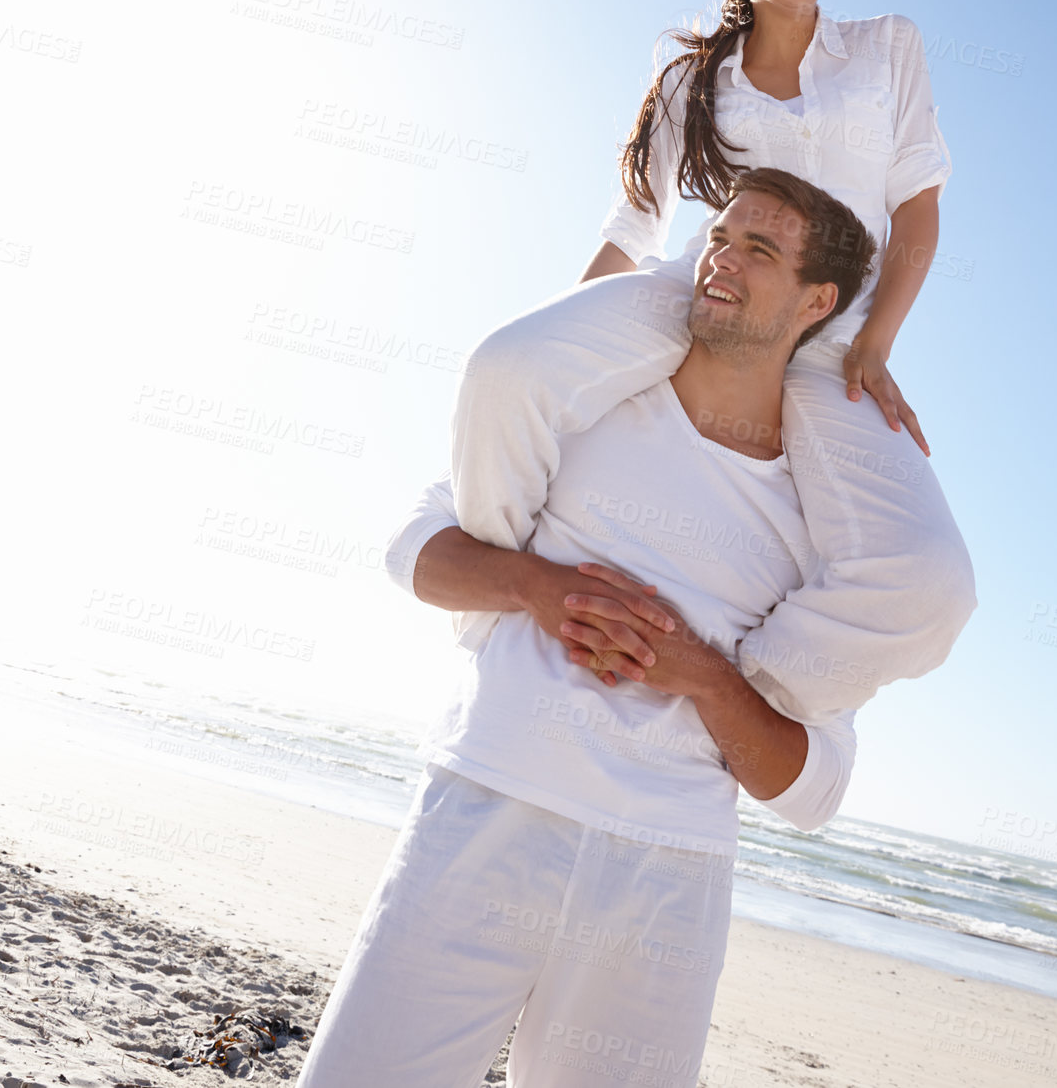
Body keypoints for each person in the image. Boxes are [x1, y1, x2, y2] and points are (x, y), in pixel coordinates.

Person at [297, 170, 882, 1088]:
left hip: (666, 876)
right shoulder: (590, 396)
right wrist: (539, 588)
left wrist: (701, 673)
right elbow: (413, 549)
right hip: (489, 801)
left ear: (818, 301)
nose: (721, 259)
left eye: (758, 250)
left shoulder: (828, 521)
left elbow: (813, 789)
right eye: (719, 235)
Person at [450, 0, 976, 722]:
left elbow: (919, 209)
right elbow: (633, 230)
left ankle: (728, 688)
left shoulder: (889, 47)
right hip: (701, 301)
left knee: (933, 584)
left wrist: (875, 343)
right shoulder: (689, 83)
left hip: (829, 343)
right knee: (507, 368)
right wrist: (564, 332)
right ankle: (499, 597)